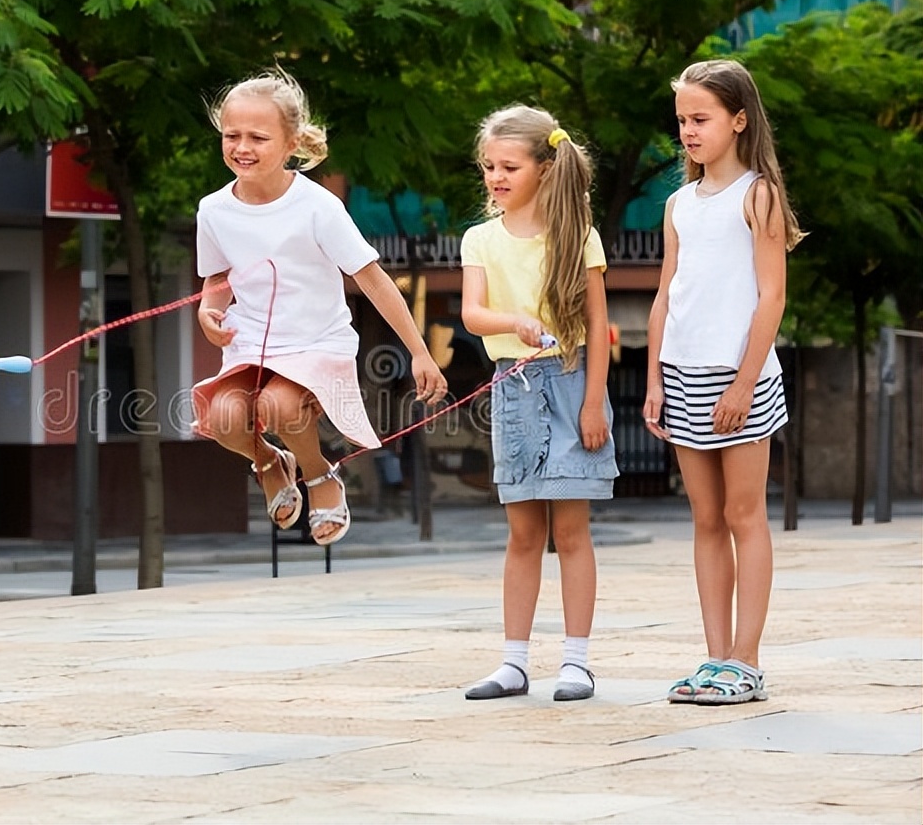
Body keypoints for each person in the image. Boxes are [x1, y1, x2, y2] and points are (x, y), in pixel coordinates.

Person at [192, 70, 448, 546]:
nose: (242, 147)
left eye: (258, 137)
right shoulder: (213, 210)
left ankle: (317, 475)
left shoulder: (318, 206)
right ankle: (271, 462)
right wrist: (209, 312)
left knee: (279, 404)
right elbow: (217, 280)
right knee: (223, 418)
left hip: (314, 340)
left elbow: (371, 277)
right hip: (251, 341)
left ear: (291, 143)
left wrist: (419, 351)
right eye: (231, 135)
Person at [646, 59, 800, 705]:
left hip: (743, 380)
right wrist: (654, 378)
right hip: (683, 375)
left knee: (744, 515)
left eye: (700, 118)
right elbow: (664, 295)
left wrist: (741, 385)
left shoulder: (758, 195)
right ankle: (715, 660)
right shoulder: (678, 204)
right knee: (705, 519)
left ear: (738, 121)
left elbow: (771, 298)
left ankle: (749, 661)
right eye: (682, 119)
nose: (688, 130)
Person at [459, 105, 618, 702]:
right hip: (513, 385)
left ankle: (576, 661)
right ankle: (514, 662)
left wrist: (594, 403)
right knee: (523, 531)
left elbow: (598, 324)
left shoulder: (580, 236)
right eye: (488, 167)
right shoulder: (481, 238)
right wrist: (516, 322)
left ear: (545, 169)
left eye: (508, 166)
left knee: (571, 530)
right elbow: (475, 313)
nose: (495, 177)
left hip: (572, 379)